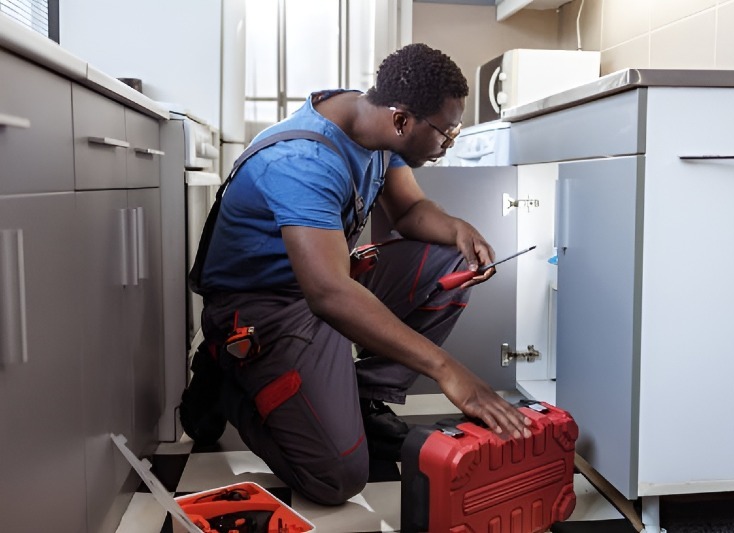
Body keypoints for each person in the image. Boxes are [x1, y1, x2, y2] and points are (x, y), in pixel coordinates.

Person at [180, 43, 532, 506]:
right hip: (263, 305)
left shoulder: (374, 122)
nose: (447, 146)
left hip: (321, 278)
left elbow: (409, 211)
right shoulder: (302, 161)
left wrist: (456, 229)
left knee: (448, 262)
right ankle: (230, 383)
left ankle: (359, 402)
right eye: (446, 134)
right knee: (338, 478)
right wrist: (448, 372)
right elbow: (328, 294)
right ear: (403, 120)